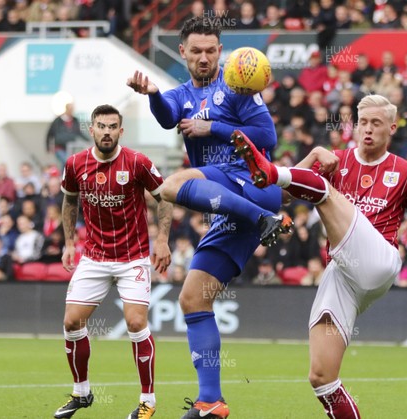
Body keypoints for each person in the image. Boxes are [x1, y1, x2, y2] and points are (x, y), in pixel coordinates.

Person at [232, 94, 407, 417]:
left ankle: (273, 168)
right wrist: (315, 154)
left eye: (376, 123)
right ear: (355, 126)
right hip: (343, 271)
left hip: (379, 261)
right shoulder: (335, 160)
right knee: (321, 377)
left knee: (323, 191)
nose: (368, 129)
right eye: (363, 123)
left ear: (391, 128)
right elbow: (286, 198)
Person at [126, 16, 292, 418]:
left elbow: (268, 139)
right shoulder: (182, 93)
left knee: (169, 184)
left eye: (211, 50)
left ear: (221, 51)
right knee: (192, 298)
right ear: (182, 52)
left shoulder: (237, 84)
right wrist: (151, 94)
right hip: (225, 201)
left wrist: (212, 127)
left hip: (250, 184)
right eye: (196, 51)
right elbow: (169, 115)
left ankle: (261, 218)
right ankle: (211, 402)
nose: (204, 58)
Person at [54, 104, 173, 419]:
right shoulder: (75, 164)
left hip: (132, 258)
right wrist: (68, 242)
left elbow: (165, 198)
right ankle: (81, 393)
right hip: (94, 257)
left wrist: (161, 240)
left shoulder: (137, 162)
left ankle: (148, 401)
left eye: (112, 126)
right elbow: (69, 199)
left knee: (136, 323)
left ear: (121, 130)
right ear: (90, 129)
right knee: (70, 323)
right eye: (101, 126)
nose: (106, 131)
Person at [46, 102, 89, 168]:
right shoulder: (57, 120)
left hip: (70, 148)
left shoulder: (75, 120)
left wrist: (89, 140)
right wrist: (48, 147)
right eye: (70, 109)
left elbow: (79, 133)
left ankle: (64, 177)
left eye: (72, 109)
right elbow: (50, 133)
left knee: (67, 164)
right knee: (66, 161)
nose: (71, 110)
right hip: (59, 148)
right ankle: (64, 177)